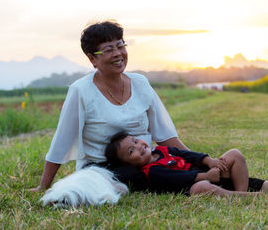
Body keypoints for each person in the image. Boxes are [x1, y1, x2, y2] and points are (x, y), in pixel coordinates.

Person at [30, 21, 188, 192]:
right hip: (102, 169)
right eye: (108, 50)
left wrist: (195, 158)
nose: (118, 54)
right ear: (92, 59)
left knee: (173, 166)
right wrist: (43, 186)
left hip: (144, 160)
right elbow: (62, 141)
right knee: (141, 176)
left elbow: (164, 135)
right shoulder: (81, 90)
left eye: (120, 46)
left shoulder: (140, 83)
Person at [104, 131, 268, 196]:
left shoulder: (161, 150)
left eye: (136, 141)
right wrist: (205, 176)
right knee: (202, 188)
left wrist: (210, 161)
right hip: (194, 184)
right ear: (130, 164)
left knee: (234, 155)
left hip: (207, 172)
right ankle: (250, 196)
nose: (138, 146)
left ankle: (250, 190)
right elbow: (177, 179)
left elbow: (188, 155)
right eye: (131, 151)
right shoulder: (151, 172)